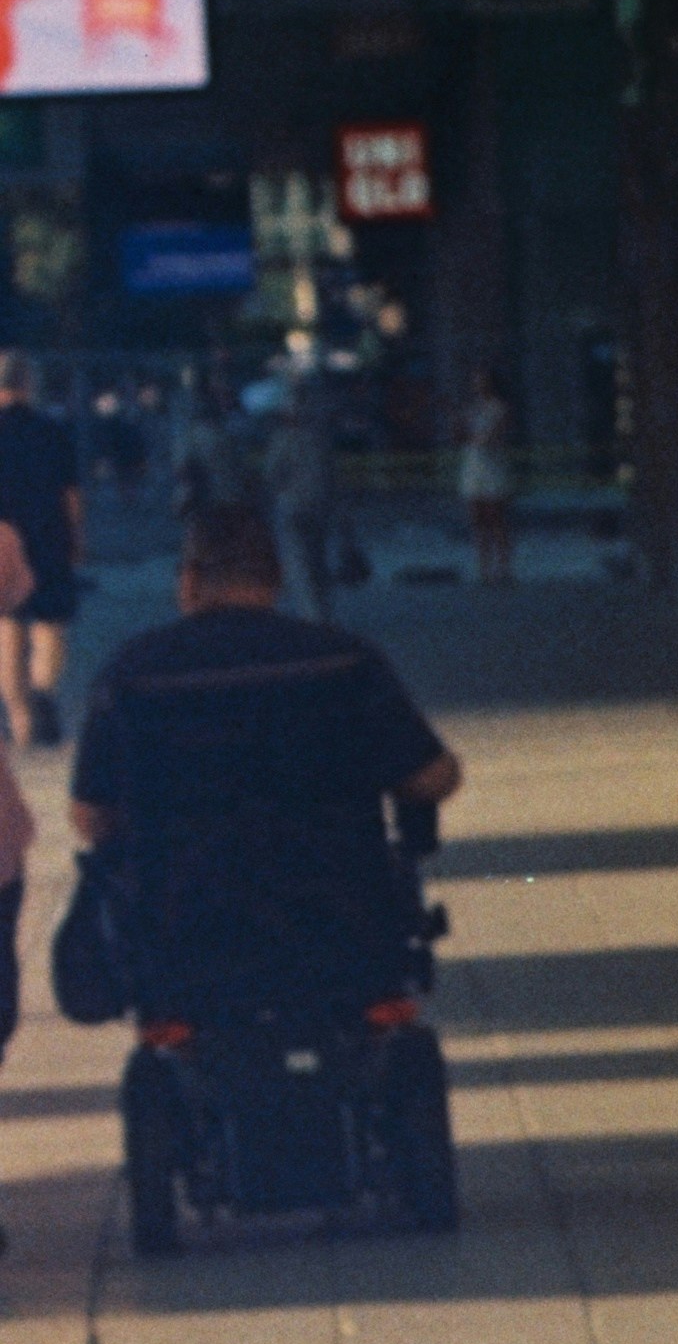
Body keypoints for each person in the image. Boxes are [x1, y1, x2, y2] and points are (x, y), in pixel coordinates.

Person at [68, 496, 461, 1008]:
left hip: (186, 927)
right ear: (275, 577)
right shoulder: (344, 659)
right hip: (339, 916)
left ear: (187, 580)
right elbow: (433, 778)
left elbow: (91, 818)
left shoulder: (133, 672)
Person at [0, 352, 81, 747]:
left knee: (7, 629)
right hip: (49, 538)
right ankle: (43, 689)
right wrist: (77, 541)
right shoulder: (52, 431)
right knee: (49, 627)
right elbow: (71, 495)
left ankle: (20, 721)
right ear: (27, 384)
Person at [248, 354, 339, 627]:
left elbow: (272, 475)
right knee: (318, 561)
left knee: (300, 566)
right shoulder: (320, 438)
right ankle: (322, 614)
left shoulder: (283, 438)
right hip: (320, 504)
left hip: (292, 507)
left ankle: (314, 619)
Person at [455, 372, 518, 586]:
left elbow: (494, 435)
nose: (478, 384)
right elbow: (460, 436)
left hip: (493, 467)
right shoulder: (471, 407)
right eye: (476, 381)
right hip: (473, 466)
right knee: (477, 520)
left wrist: (478, 436)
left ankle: (504, 567)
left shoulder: (499, 407)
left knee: (496, 519)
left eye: (482, 380)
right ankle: (483, 569)